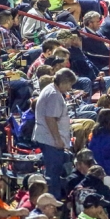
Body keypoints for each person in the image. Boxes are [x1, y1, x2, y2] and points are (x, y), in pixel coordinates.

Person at [32, 68, 77, 199]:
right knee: (53, 174)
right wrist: (57, 139)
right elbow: (50, 118)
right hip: (50, 140)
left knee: (56, 170)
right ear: (64, 82)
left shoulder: (50, 89)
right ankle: (53, 202)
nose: (69, 88)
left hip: (47, 137)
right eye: (69, 84)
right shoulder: (54, 95)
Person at [88, 109, 110, 177]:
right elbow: (109, 152)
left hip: (96, 165)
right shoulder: (107, 134)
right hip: (108, 167)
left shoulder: (95, 132)